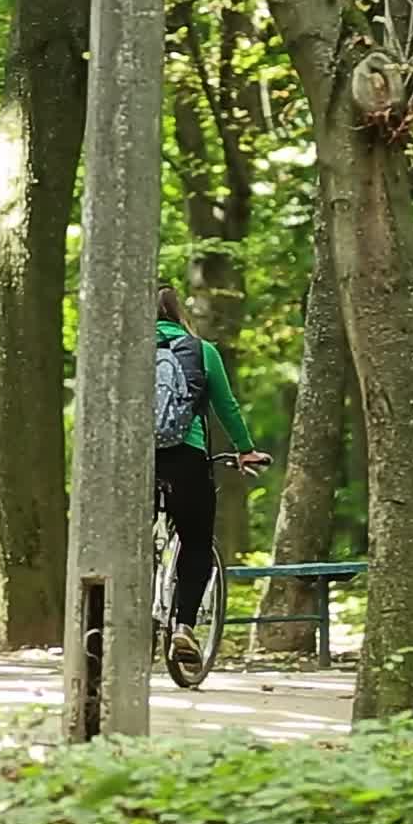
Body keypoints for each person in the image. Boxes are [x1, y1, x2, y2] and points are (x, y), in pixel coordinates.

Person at [156, 285, 270, 666]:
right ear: (179, 314)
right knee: (197, 541)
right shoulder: (202, 350)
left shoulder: (126, 349)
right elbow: (227, 406)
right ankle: (184, 627)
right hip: (186, 456)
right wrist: (245, 448)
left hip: (135, 461)